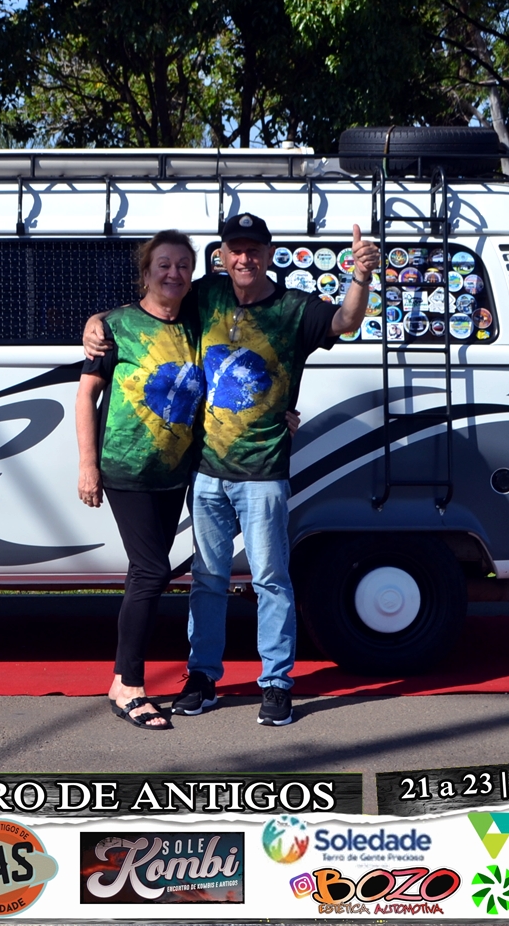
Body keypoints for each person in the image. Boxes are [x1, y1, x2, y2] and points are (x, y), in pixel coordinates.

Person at [85, 215, 379, 726]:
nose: (245, 258)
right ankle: (202, 677)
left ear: (268, 254)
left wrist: (360, 276)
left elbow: (344, 321)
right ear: (222, 255)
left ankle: (276, 683)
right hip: (204, 471)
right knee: (207, 580)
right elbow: (151, 306)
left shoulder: (293, 309)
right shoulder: (207, 294)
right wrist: (95, 321)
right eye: (235, 250)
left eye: (254, 250)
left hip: (263, 472)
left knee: (271, 579)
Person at [75, 231, 205, 730]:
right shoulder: (116, 327)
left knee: (144, 572)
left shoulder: (196, 324)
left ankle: (123, 680)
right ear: (146, 271)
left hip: (173, 472)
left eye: (183, 265)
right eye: (163, 264)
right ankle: (128, 685)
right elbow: (85, 396)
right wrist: (88, 466)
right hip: (126, 468)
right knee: (151, 571)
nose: (174, 273)